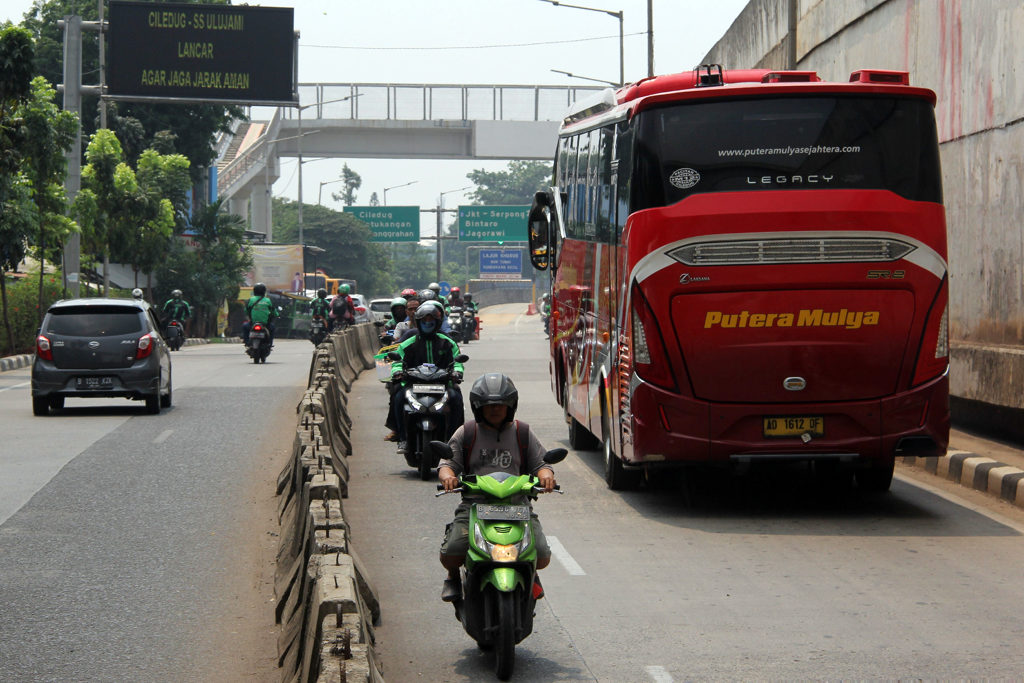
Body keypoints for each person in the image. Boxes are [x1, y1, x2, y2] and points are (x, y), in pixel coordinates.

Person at [437, 373, 557, 602]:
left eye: (501, 405)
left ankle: (530, 574)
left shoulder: (522, 432)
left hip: (517, 505)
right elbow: (447, 464)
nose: (495, 410)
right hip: (475, 505)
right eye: (488, 405)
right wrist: (448, 477)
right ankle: (453, 576)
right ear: (477, 406)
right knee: (452, 551)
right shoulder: (467, 432)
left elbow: (542, 464)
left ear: (511, 406)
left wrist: (546, 476)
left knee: (541, 555)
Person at [388, 300, 465, 454]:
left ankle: (454, 440)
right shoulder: (409, 341)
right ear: (418, 321)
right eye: (424, 320)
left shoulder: (447, 342)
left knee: (457, 398)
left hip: (443, 384)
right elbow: (397, 360)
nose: (428, 323)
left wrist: (457, 372)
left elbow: (457, 360)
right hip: (412, 383)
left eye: (431, 320)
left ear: (437, 322)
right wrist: (397, 372)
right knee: (397, 396)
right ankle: (402, 437)